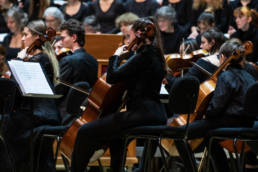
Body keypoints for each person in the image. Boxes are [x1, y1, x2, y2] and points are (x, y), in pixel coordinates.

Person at [70, 17, 168, 172]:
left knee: (84, 131)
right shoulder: (156, 54)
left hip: (141, 114)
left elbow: (112, 76)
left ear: (138, 34)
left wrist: (116, 55)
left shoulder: (143, 55)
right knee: (117, 138)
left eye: (128, 37)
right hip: (156, 113)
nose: (127, 41)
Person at [174, 39, 257, 172]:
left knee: (178, 133)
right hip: (247, 123)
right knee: (208, 136)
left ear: (223, 57)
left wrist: (206, 112)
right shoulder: (249, 76)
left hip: (227, 122)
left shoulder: (226, 76)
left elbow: (217, 108)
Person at [3, 20, 60, 172]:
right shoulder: (39, 58)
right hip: (33, 111)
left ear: (36, 38)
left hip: (36, 114)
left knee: (8, 124)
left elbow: (18, 90)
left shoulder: (39, 59)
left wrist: (20, 61)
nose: (22, 39)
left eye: (26, 35)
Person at [55, 19, 98, 125]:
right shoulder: (93, 60)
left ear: (74, 37)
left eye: (63, 37)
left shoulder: (68, 60)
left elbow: (58, 90)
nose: (61, 41)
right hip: (85, 113)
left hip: (65, 113)